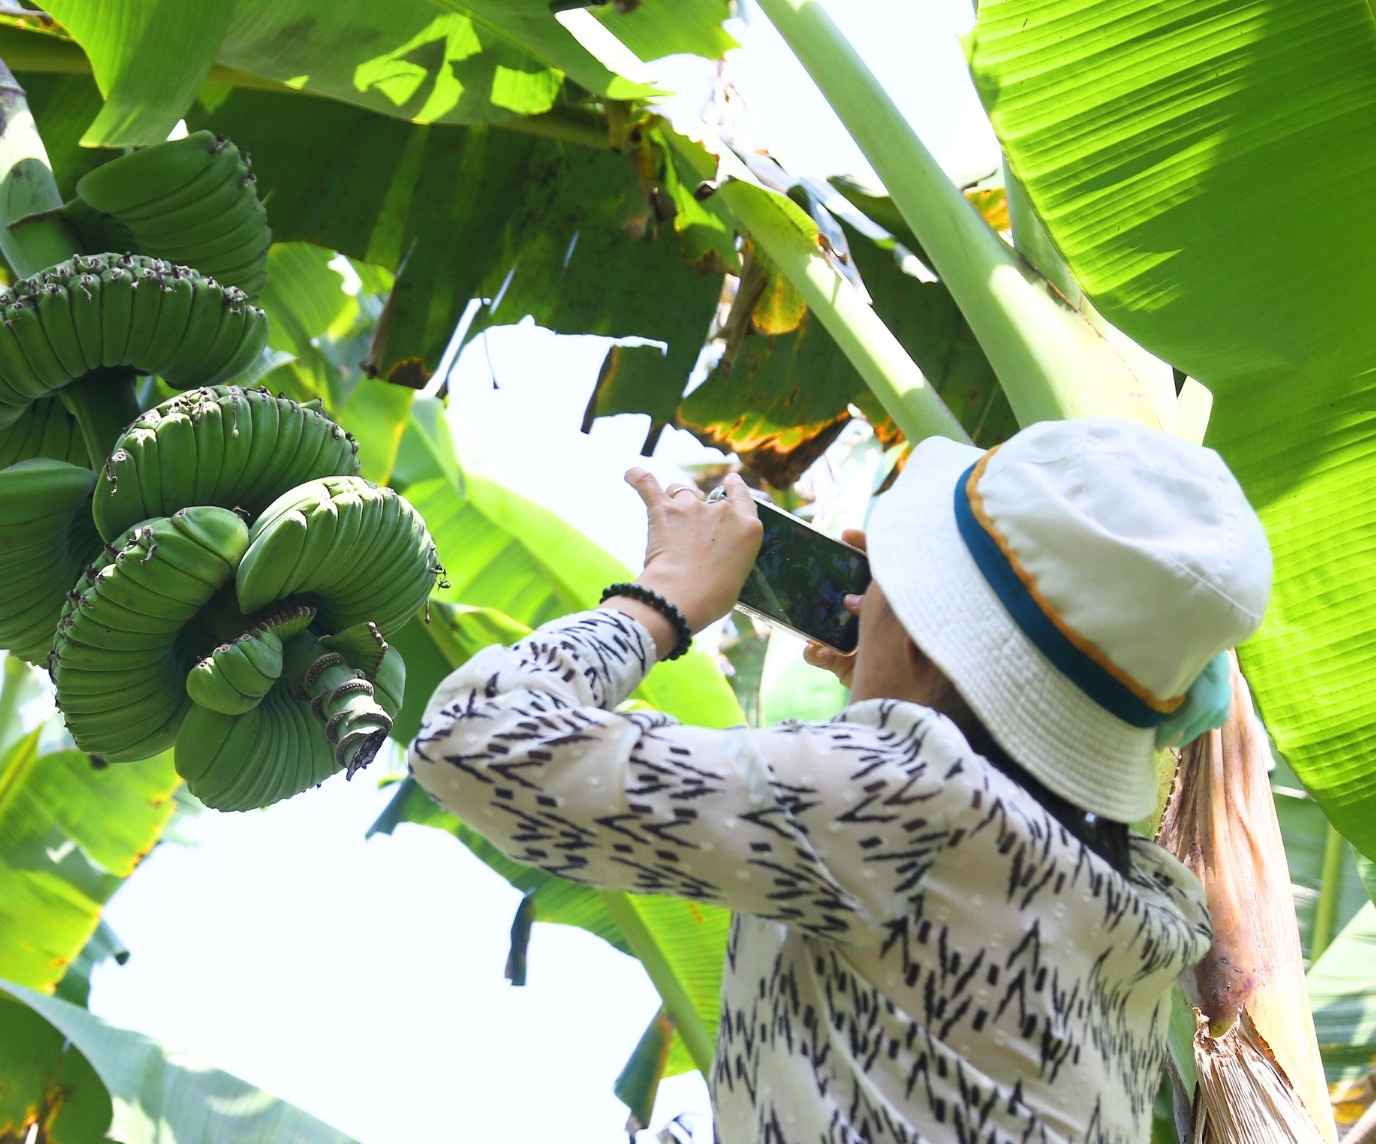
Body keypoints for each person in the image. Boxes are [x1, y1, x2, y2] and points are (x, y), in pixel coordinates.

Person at [410, 418, 1272, 1144]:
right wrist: (907, 677)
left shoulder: (903, 803)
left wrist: (660, 599)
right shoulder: (1145, 900)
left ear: (938, 637)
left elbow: (472, 739)